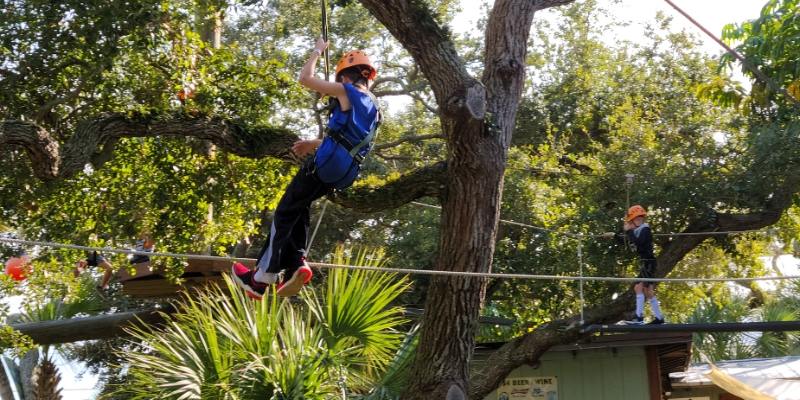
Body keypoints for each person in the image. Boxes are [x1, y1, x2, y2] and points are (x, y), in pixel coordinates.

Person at [232, 38, 381, 300]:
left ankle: (260, 278)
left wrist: (317, 50)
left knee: (284, 211)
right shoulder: (374, 109)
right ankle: (296, 264)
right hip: (343, 172)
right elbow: (349, 140)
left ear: (346, 76)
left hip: (323, 165)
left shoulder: (347, 91)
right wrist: (314, 143)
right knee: (299, 206)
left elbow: (305, 78)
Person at [605, 205, 665, 324]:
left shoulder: (645, 230)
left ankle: (639, 318)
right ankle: (658, 318)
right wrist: (614, 235)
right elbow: (627, 242)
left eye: (640, 219)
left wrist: (629, 231)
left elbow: (639, 242)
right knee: (645, 290)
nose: (639, 221)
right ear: (632, 221)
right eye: (636, 219)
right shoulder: (636, 231)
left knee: (641, 288)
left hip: (649, 262)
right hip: (646, 263)